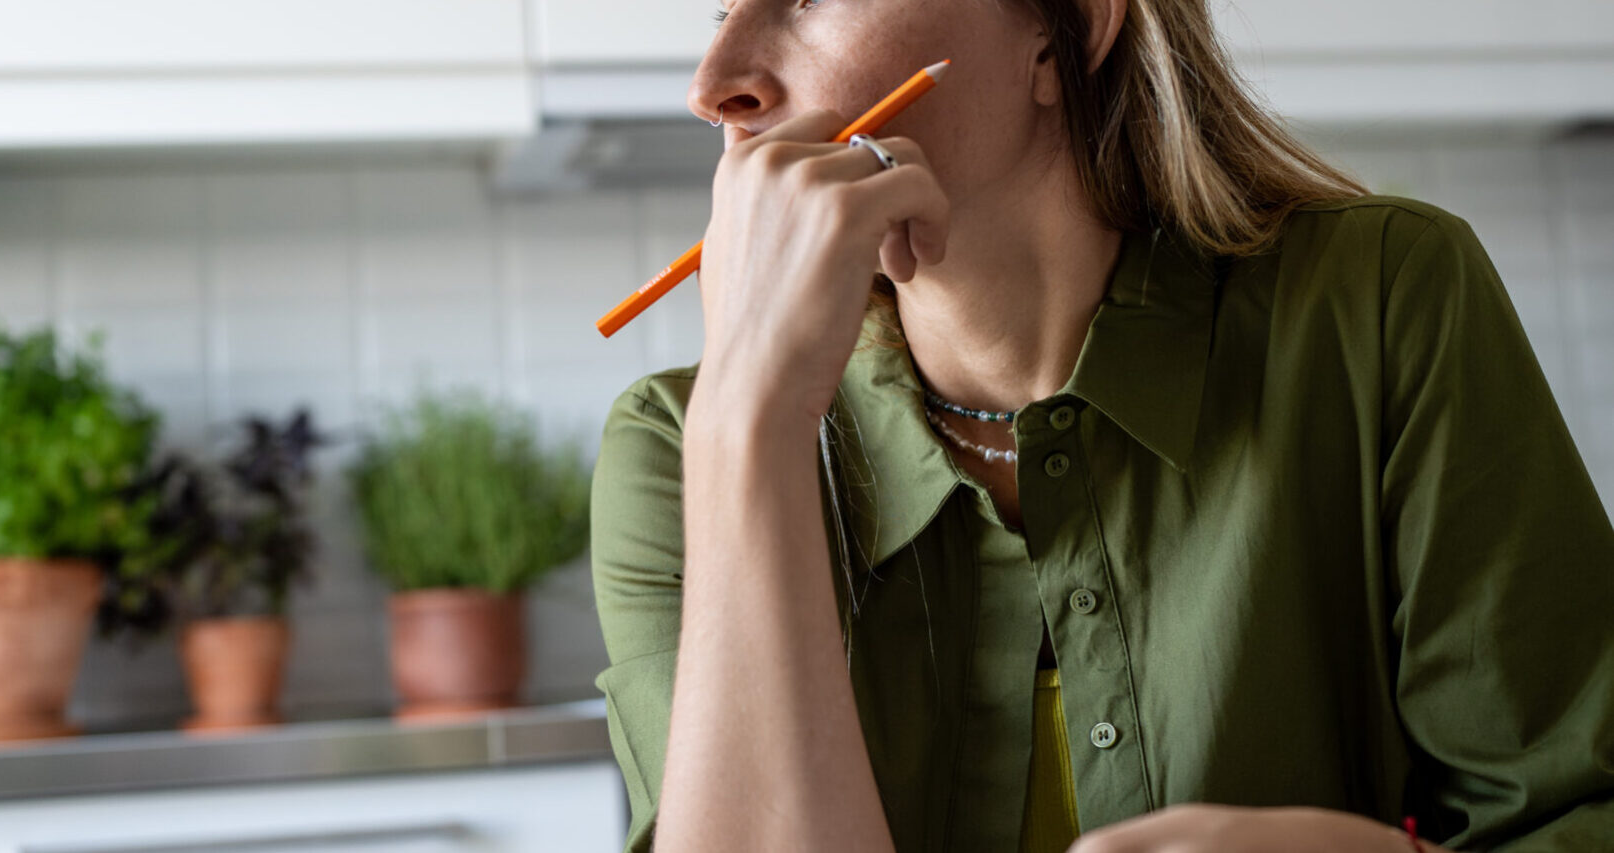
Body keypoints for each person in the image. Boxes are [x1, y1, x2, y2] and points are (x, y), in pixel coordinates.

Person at [588, 0, 1614, 849]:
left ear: (1066, 32)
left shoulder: (1383, 303)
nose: (714, 79)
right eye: (717, 8)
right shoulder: (681, 443)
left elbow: (1575, 814)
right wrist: (750, 413)